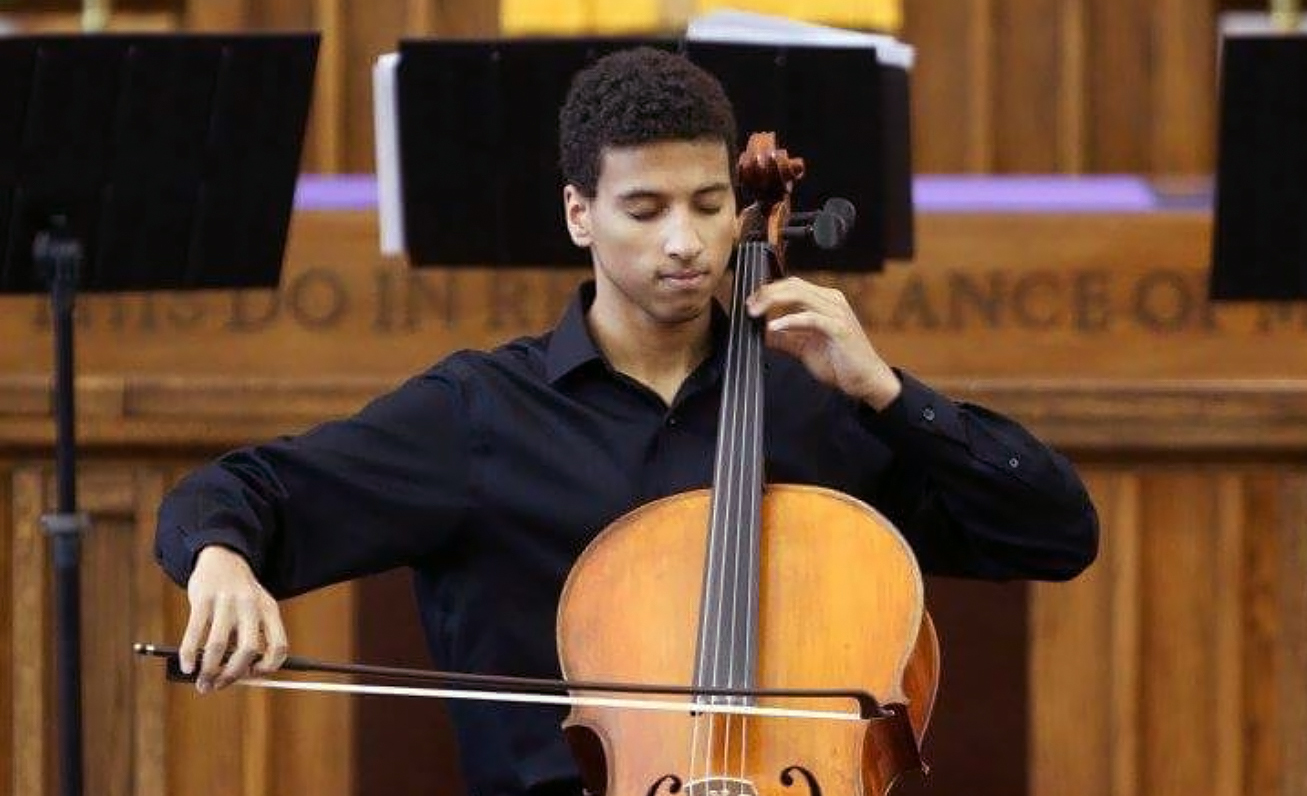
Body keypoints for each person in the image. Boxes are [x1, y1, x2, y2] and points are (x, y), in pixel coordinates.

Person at [153, 46, 1099, 796]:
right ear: (580, 214)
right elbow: (239, 492)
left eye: (708, 203)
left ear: (742, 207)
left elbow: (1056, 532)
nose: (685, 242)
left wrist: (887, 392)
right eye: (643, 209)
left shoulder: (815, 410)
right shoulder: (479, 415)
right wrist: (223, 561)